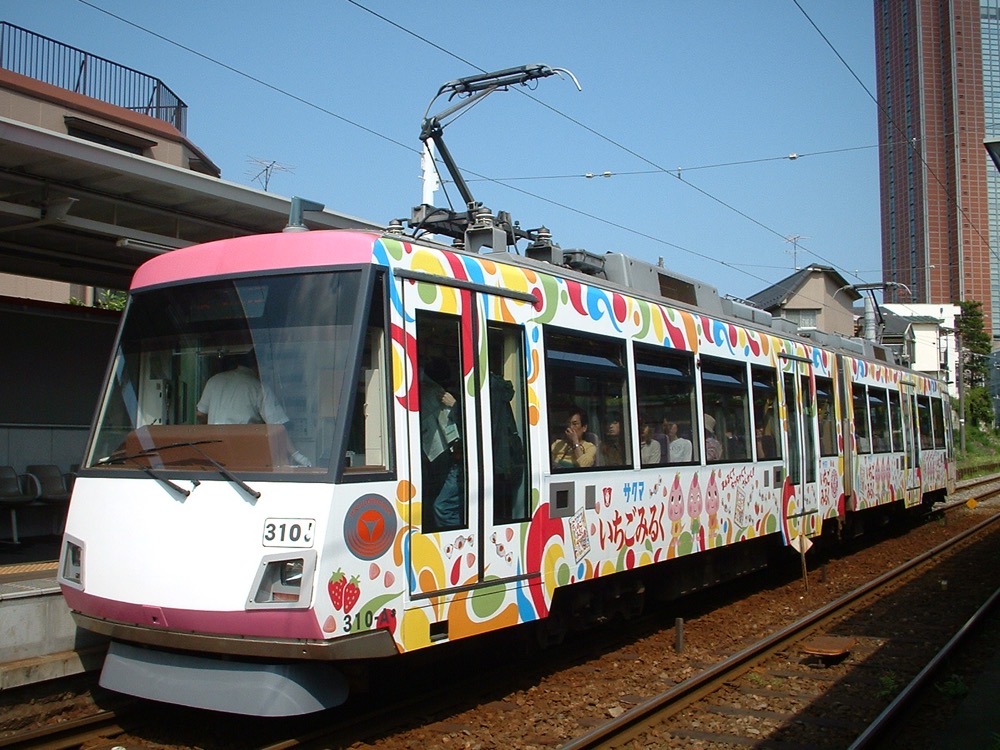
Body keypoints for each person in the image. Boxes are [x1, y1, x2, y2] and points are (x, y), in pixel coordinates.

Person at [196, 350, 311, 466]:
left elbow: (200, 414)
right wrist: (297, 455)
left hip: (213, 453)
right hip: (243, 454)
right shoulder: (259, 388)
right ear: (259, 365)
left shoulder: (214, 381)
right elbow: (277, 427)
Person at [420, 357, 463, 529]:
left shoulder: (456, 398)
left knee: (443, 506)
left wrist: (455, 405)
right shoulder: (442, 395)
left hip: (462, 462)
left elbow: (477, 422)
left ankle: (455, 541)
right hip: (451, 458)